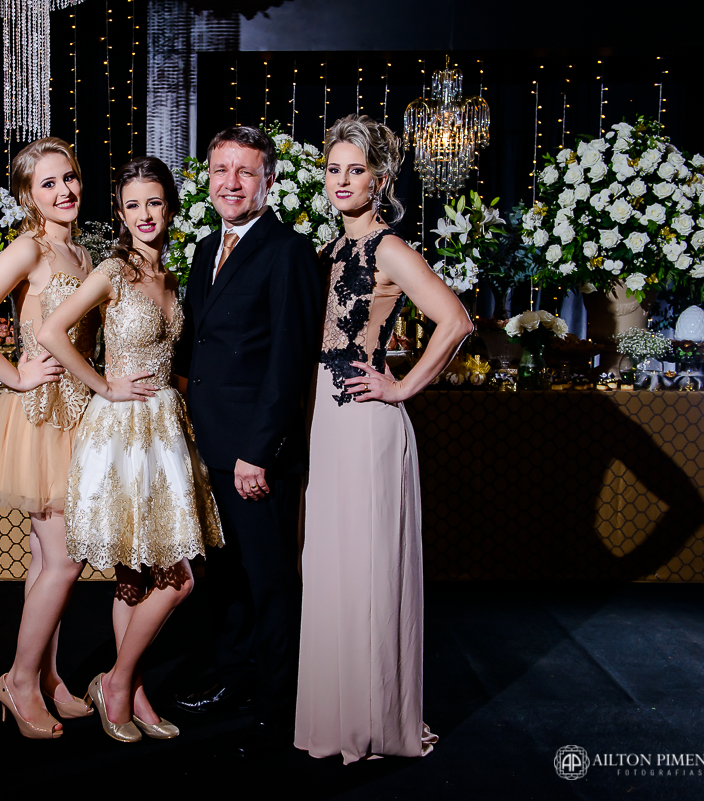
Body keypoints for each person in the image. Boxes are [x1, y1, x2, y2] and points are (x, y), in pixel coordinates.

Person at [295, 114, 472, 762]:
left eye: (356, 169)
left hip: (364, 419)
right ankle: (338, 716)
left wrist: (402, 389)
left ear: (381, 178)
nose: (342, 180)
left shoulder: (388, 247)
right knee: (329, 568)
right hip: (321, 419)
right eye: (334, 169)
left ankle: (374, 721)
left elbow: (455, 320)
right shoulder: (326, 250)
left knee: (367, 571)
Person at [38, 156, 223, 743]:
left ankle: (128, 688)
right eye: (133, 204)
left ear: (170, 207)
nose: (145, 214)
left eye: (155, 202)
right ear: (120, 213)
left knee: (141, 576)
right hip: (121, 431)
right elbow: (50, 332)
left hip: (166, 429)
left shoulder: (171, 276)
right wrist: (102, 385)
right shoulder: (113, 271)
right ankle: (118, 685)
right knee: (173, 578)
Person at [172, 126, 324, 758]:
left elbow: (289, 362)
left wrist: (258, 452)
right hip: (209, 444)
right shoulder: (206, 247)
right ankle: (232, 677)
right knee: (229, 576)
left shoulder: (289, 250)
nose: (230, 182)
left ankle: (279, 700)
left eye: (245, 171)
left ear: (268, 181)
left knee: (270, 579)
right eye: (221, 170)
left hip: (256, 454)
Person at [0, 137, 98, 740]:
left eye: (70, 177)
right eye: (48, 183)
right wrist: (14, 375)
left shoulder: (81, 253)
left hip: (80, 412)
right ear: (28, 197)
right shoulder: (29, 247)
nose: (64, 191)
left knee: (44, 558)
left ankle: (48, 677)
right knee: (65, 558)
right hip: (42, 413)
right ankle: (19, 680)